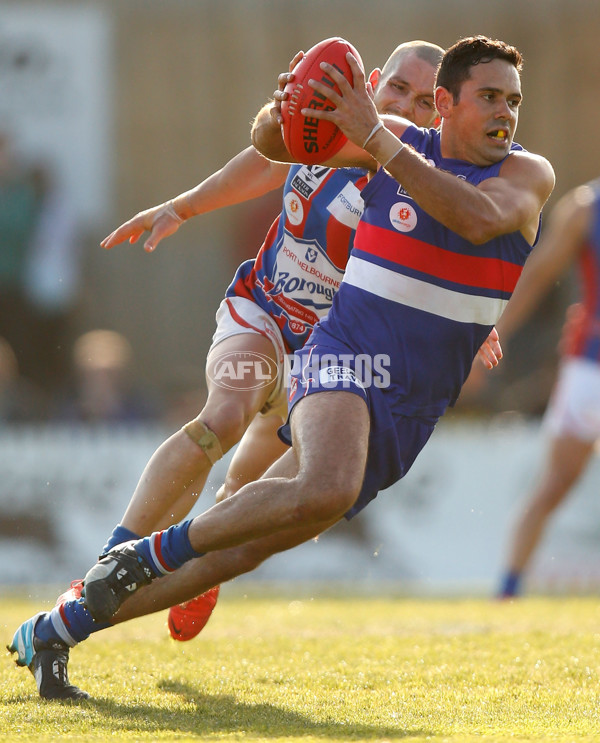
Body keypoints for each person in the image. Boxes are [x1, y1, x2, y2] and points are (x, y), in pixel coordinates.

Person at [8, 35, 533, 701]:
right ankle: (113, 558)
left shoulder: (406, 166)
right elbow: (266, 154)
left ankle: (86, 611)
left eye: (421, 99)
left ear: (440, 111)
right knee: (223, 418)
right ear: (374, 81)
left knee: (248, 513)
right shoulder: (349, 136)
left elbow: (459, 251)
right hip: (270, 315)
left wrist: (470, 319)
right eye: (395, 87)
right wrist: (212, 178)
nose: (403, 103)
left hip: (332, 346)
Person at [494, 181, 600, 597]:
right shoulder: (585, 209)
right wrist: (494, 336)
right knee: (555, 482)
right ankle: (507, 590)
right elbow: (538, 276)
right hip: (590, 369)